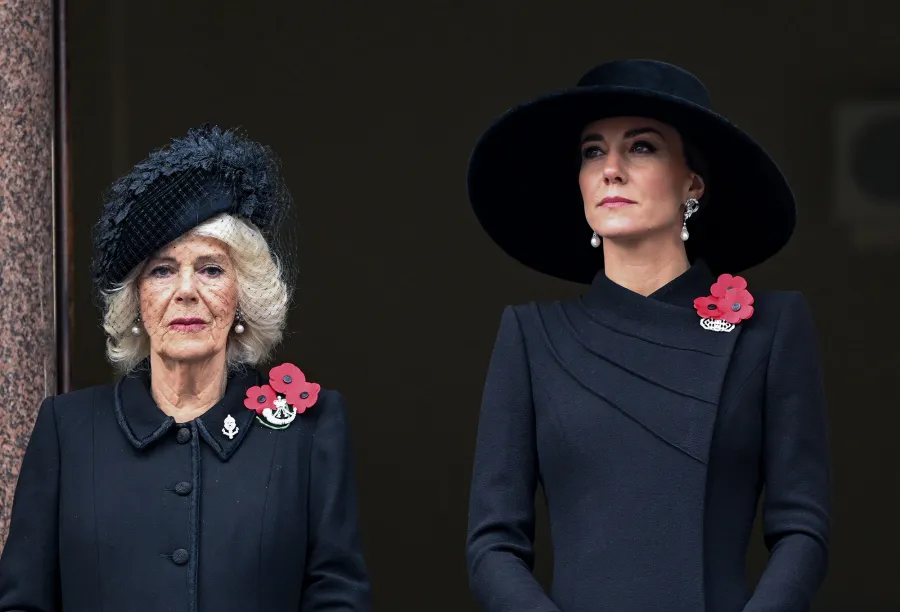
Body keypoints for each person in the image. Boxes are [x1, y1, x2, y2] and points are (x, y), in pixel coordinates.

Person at [464, 60, 831, 612]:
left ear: (692, 183)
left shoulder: (770, 328)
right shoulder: (532, 336)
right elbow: (492, 544)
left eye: (641, 147)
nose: (611, 170)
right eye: (593, 152)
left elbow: (802, 526)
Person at [0, 125, 371, 611]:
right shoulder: (66, 431)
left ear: (242, 296)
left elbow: (337, 599)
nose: (187, 291)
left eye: (211, 269)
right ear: (136, 300)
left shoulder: (310, 431)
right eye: (162, 270)